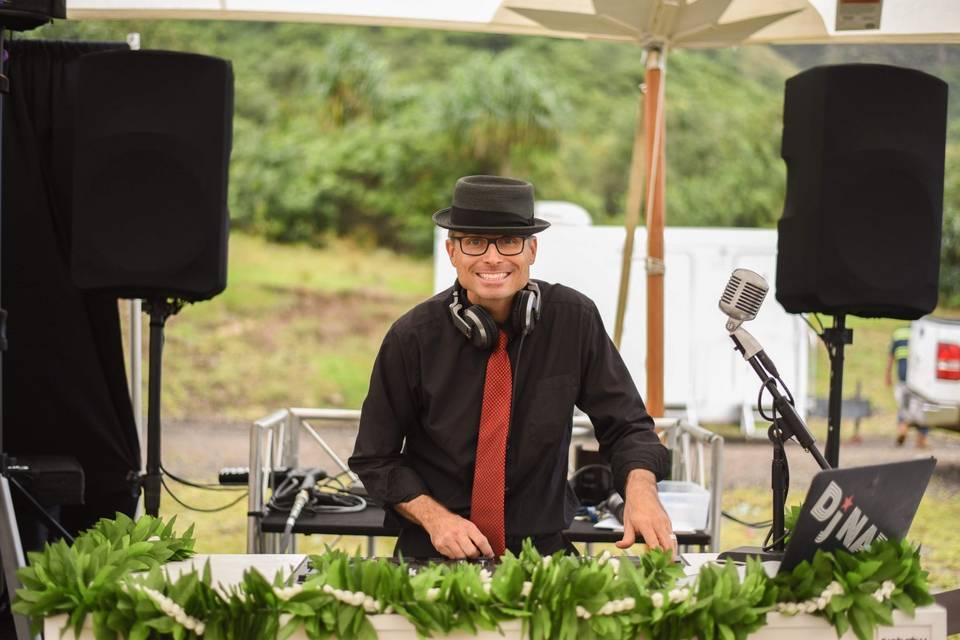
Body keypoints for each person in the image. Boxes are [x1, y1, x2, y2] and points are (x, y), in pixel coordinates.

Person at [348, 175, 674, 560]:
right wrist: (436, 520)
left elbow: (627, 427)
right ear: (452, 252)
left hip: (543, 552)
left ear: (531, 250)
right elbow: (375, 458)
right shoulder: (412, 337)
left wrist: (640, 491)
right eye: (474, 242)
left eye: (509, 240)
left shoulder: (574, 320)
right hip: (436, 550)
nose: (492, 257)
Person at [885, 325, 928, 448]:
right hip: (920, 378)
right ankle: (922, 438)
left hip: (903, 376)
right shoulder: (924, 332)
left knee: (904, 405)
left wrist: (887, 374)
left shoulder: (899, 333)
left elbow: (891, 356)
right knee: (922, 407)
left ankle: (902, 428)